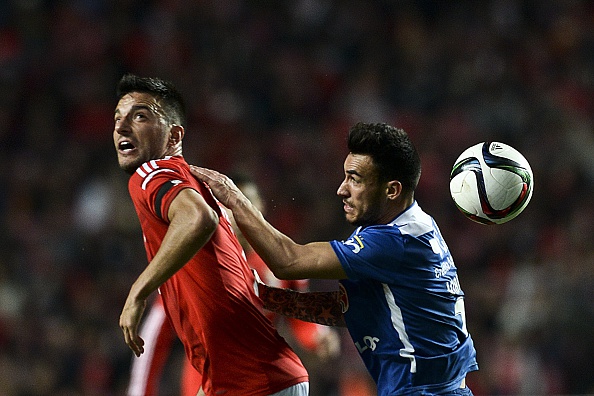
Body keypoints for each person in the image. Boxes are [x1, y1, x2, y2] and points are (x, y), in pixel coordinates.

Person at [190, 122, 479, 395]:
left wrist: (234, 198)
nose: (342, 189)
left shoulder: (393, 241)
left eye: (355, 179)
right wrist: (267, 297)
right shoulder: (416, 225)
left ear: (392, 190)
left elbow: (288, 260)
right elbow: (351, 310)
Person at [114, 73, 309, 396]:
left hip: (254, 383)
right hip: (258, 378)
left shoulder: (152, 172)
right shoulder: (192, 183)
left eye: (140, 116)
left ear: (174, 134)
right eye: (118, 118)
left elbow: (197, 218)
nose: (121, 127)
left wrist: (137, 291)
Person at [127, 173, 339, 396]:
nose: (235, 211)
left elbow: (299, 318)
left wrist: (318, 337)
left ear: (260, 207)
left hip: (265, 377)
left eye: (245, 201)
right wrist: (141, 390)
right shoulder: (194, 263)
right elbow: (157, 330)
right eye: (225, 204)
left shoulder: (280, 261)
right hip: (207, 381)